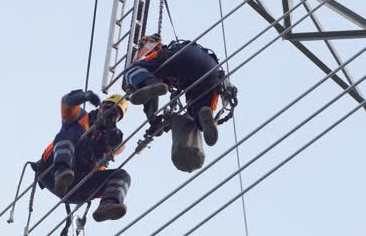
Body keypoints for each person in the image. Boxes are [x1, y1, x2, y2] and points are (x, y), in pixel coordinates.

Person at [33, 89, 130, 222]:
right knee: (70, 134)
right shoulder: (80, 118)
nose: (110, 112)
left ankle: (108, 205)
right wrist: (85, 96)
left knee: (122, 175)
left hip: (78, 186)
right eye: (108, 107)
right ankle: (62, 172)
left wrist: (110, 126)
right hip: (50, 172)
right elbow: (67, 102)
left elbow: (116, 145)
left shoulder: (113, 136)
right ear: (101, 106)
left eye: (115, 114)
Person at [125, 34, 228, 146]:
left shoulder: (159, 51)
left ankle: (148, 83)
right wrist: (159, 124)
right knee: (197, 116)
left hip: (180, 56)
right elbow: (152, 92)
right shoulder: (168, 76)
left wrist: (153, 119)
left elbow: (150, 91)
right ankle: (203, 115)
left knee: (132, 71)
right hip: (211, 71)